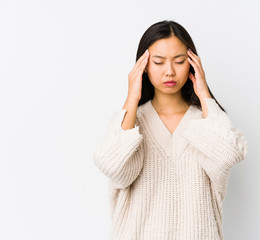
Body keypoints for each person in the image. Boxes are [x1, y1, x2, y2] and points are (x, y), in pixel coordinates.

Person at [93, 20, 248, 240]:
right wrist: (132, 98)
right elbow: (113, 166)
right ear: (143, 66)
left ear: (193, 64)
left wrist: (204, 94)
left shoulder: (206, 123)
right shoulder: (132, 123)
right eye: (158, 62)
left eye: (179, 61)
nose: (169, 71)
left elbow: (229, 154)